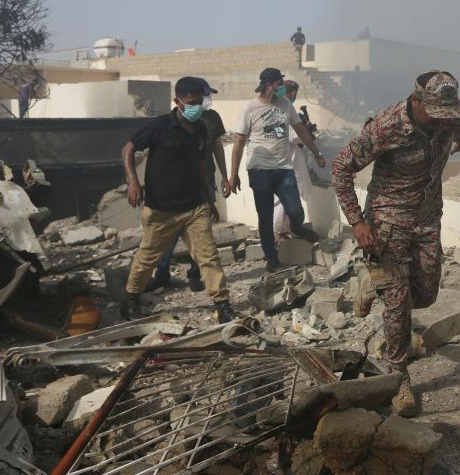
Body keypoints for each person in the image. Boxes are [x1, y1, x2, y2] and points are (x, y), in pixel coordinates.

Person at [331, 70, 460, 416]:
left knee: (425, 294)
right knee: (397, 302)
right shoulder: (386, 126)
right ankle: (398, 376)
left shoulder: (448, 113)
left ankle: (369, 282)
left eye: (445, 117)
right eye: (433, 115)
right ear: (417, 101)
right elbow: (340, 168)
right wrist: (358, 223)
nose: (440, 122)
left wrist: (452, 146)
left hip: (426, 219)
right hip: (386, 223)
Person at [120, 76, 238, 323]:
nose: (197, 106)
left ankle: (222, 305)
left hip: (194, 207)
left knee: (208, 256)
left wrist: (210, 200)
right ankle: (131, 299)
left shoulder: (201, 129)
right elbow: (128, 149)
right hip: (161, 209)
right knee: (147, 258)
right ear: (178, 101)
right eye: (192, 102)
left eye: (201, 101)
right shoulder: (160, 126)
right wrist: (132, 181)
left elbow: (198, 165)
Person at [229, 68, 326, 271]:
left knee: (295, 210)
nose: (282, 88)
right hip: (259, 170)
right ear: (268, 85)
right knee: (264, 217)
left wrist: (316, 153)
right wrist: (233, 174)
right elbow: (238, 142)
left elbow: (301, 131)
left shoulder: (286, 105)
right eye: (279, 84)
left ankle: (297, 227)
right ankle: (271, 257)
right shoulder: (250, 108)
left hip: (284, 169)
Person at [146, 78, 230, 292]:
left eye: (207, 97)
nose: (206, 100)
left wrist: (224, 175)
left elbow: (218, 147)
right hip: (178, 187)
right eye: (204, 95)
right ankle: (161, 273)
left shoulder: (212, 119)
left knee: (201, 235)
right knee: (170, 233)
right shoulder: (176, 120)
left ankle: (196, 275)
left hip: (205, 183)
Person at [273, 80, 315, 242]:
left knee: (286, 201)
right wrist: (306, 130)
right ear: (290, 93)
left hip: (287, 162)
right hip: (287, 165)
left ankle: (284, 233)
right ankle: (280, 235)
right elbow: (297, 138)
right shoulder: (284, 112)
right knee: (284, 202)